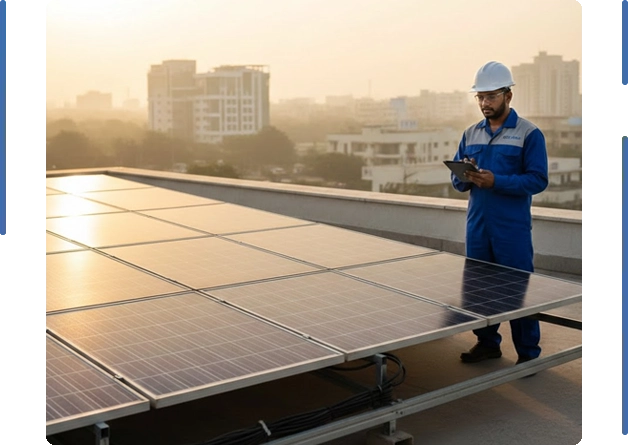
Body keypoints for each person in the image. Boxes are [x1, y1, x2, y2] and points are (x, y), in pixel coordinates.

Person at [450, 61, 549, 366]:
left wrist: (498, 181)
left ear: (508, 95)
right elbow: (456, 181)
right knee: (480, 288)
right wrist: (464, 176)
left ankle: (529, 354)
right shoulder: (470, 134)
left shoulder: (529, 134)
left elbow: (537, 179)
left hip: (512, 229)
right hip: (478, 226)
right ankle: (488, 343)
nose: (484, 103)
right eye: (480, 97)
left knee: (518, 290)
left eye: (491, 96)